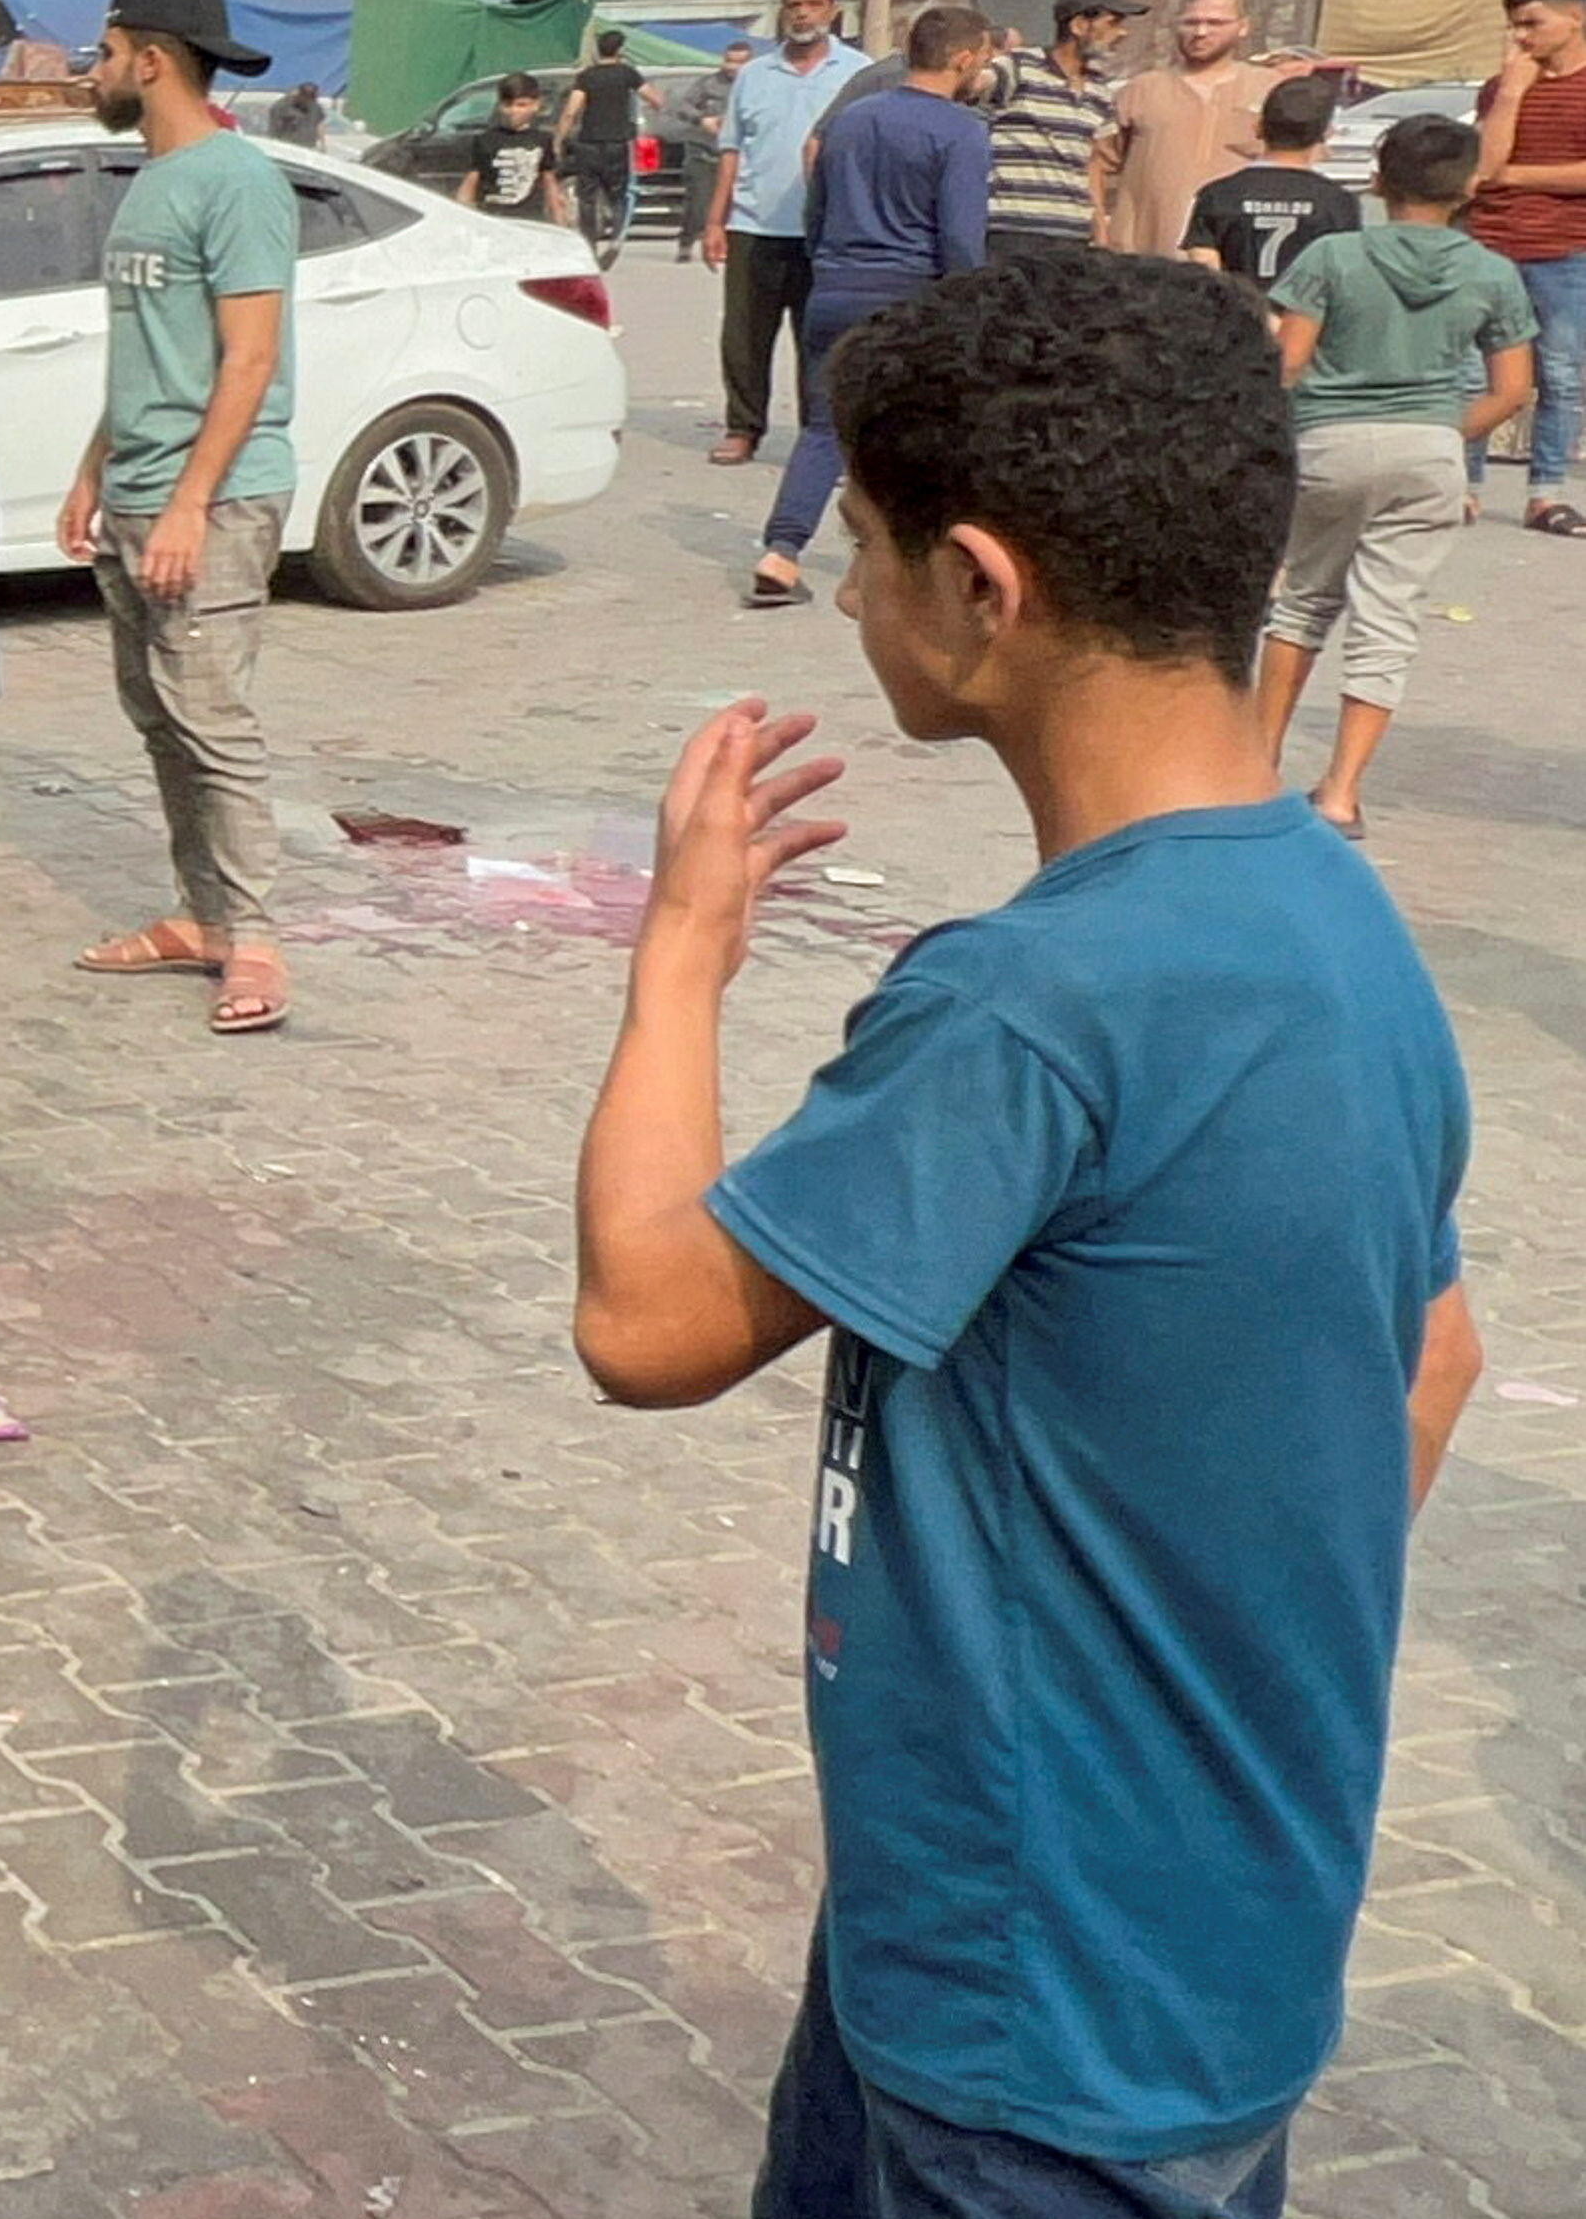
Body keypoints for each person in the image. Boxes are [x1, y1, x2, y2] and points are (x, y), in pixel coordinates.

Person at [565, 249, 1473, 2219]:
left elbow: (644, 1316)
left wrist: (679, 952)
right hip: (1206, 1921)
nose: (838, 589)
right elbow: (1433, 1352)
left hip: (1024, 1990)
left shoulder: (1025, 1002)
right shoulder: (1331, 917)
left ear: (977, 585)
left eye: (865, 549)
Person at [55, 0, 300, 1037]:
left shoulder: (236, 180)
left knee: (211, 720)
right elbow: (150, 355)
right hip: (137, 489)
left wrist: (190, 504)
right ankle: (201, 916)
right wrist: (93, 467)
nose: (94, 73)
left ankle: (253, 938)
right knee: (158, 716)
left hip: (214, 498)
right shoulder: (148, 179)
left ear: (147, 58)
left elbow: (248, 358)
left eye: (104, 54)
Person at [1261, 116, 1537, 833]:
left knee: (1301, 605)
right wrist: (1443, 434)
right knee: (1387, 620)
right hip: (1430, 450)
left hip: (1331, 442)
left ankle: (1256, 771)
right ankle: (1342, 791)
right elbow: (1512, 389)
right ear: (1469, 186)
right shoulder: (1492, 270)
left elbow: (1288, 360)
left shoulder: (1332, 255)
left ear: (1379, 179)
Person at [755, 6, 1000, 611]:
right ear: (965, 59)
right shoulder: (962, 131)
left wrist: (830, 266)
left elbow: (816, 211)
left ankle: (781, 552)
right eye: (985, 61)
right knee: (921, 435)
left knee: (824, 429)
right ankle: (908, 567)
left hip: (834, 289)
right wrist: (967, 308)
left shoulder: (851, 119)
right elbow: (962, 238)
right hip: (908, 296)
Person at [704, 0, 872, 463]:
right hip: (754, 226)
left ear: (832, 10)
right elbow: (732, 150)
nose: (803, 13)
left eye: (813, 4)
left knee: (820, 339)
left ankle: (818, 437)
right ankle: (743, 427)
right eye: (794, 4)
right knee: (744, 338)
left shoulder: (858, 73)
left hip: (825, 231)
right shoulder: (755, 75)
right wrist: (716, 221)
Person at [1477, 0, 1586, 533]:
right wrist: (1512, 94)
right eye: (1514, 25)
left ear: (1574, 18)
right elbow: (1484, 167)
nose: (1521, 36)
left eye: (1531, 23)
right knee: (1473, 371)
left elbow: (1506, 175)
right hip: (1490, 245)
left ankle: (1545, 494)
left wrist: (1519, 178)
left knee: (1561, 374)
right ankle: (1464, 488)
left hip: (1564, 250)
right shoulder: (1503, 85)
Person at [1105, 0, 1269, 259]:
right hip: (1146, 260)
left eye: (1215, 23)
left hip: (1238, 259)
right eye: (1191, 22)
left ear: (1243, 27)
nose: (1201, 32)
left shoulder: (1269, 90)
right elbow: (1100, 167)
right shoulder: (1141, 90)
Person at [978, 0, 1132, 261]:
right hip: (1012, 231)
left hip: (1071, 236)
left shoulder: (1099, 92)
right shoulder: (1020, 66)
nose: (1122, 33)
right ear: (1079, 26)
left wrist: (1100, 232)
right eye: (1113, 23)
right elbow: (976, 85)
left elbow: (1092, 165)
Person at [1180, 70, 1354, 287]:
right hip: (1305, 319)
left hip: (1239, 316)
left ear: (1258, 127)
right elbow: (1344, 276)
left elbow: (1205, 268)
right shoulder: (1338, 202)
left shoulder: (1217, 194)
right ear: (1326, 133)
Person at [558, 33, 644, 264]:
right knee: (618, 194)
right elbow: (653, 98)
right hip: (617, 143)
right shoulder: (628, 74)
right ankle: (616, 239)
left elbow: (571, 111)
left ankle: (589, 244)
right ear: (621, 50)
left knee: (587, 197)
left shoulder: (586, 77)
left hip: (588, 143)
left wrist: (559, 139)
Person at [467, 72, 562, 223]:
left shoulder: (542, 140)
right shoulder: (486, 140)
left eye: (521, 105)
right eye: (508, 105)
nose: (513, 111)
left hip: (530, 218)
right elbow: (471, 181)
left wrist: (559, 220)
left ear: (536, 105)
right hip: (494, 217)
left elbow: (549, 181)